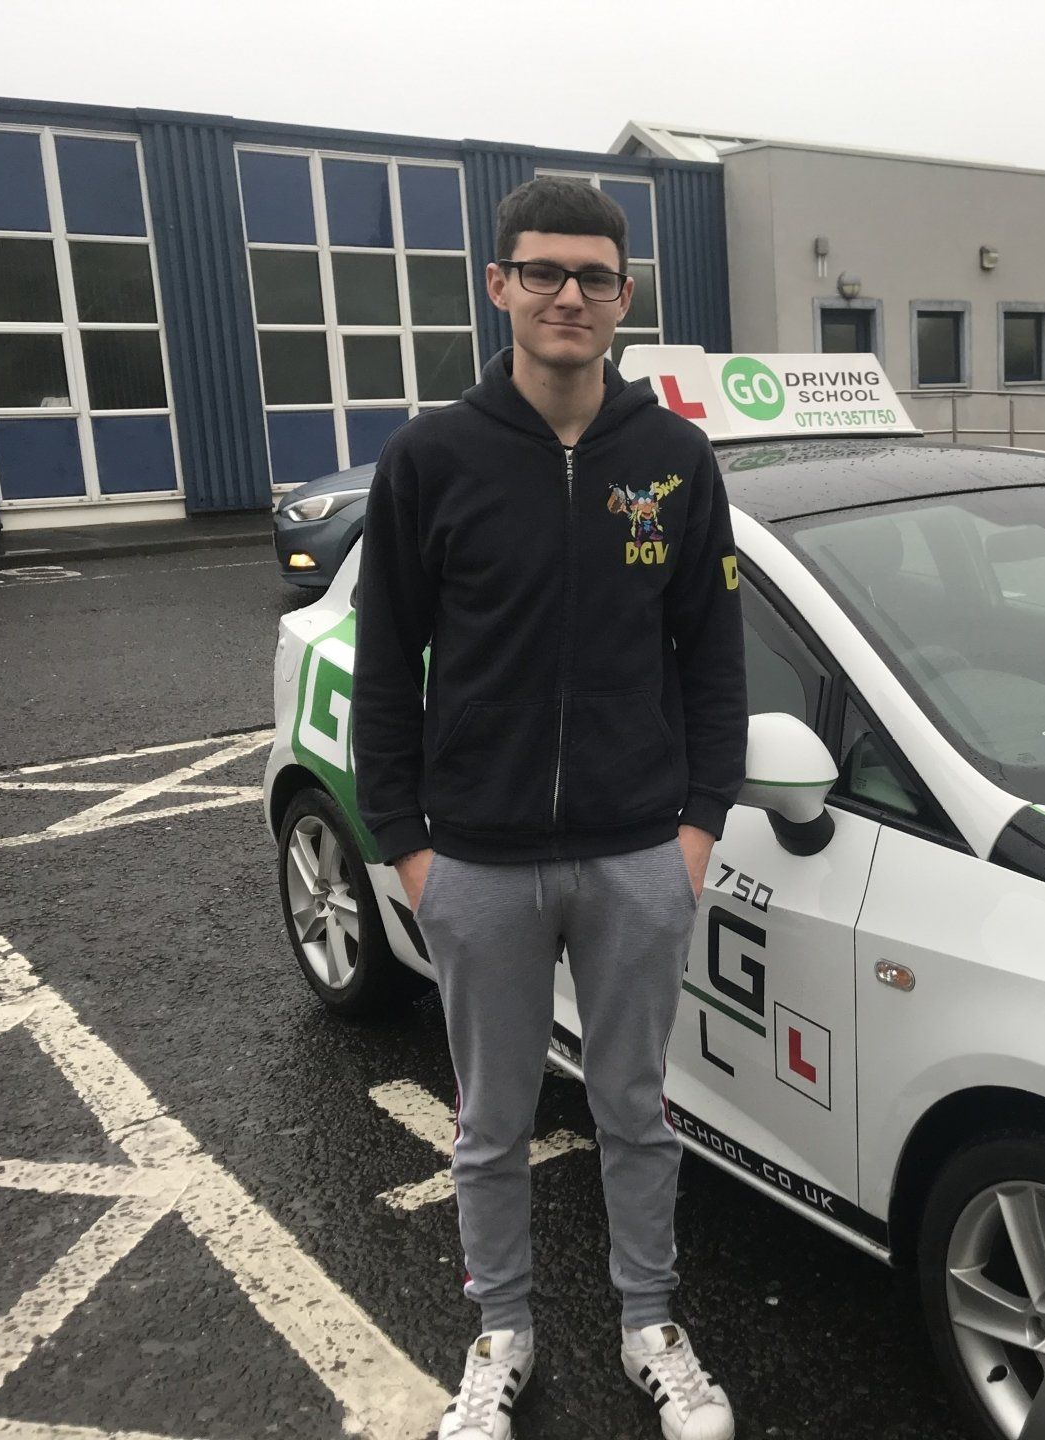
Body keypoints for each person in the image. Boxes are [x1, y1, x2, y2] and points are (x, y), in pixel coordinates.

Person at [352, 176, 747, 1440]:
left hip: (638, 855)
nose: (569, 295)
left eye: (594, 277)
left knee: (636, 1109)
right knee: (492, 1123)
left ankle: (651, 1326)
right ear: (500, 286)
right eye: (544, 272)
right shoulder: (431, 459)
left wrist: (694, 835)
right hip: (477, 862)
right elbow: (386, 666)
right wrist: (409, 852)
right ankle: (503, 1331)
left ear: (624, 296)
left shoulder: (675, 460)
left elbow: (716, 661)